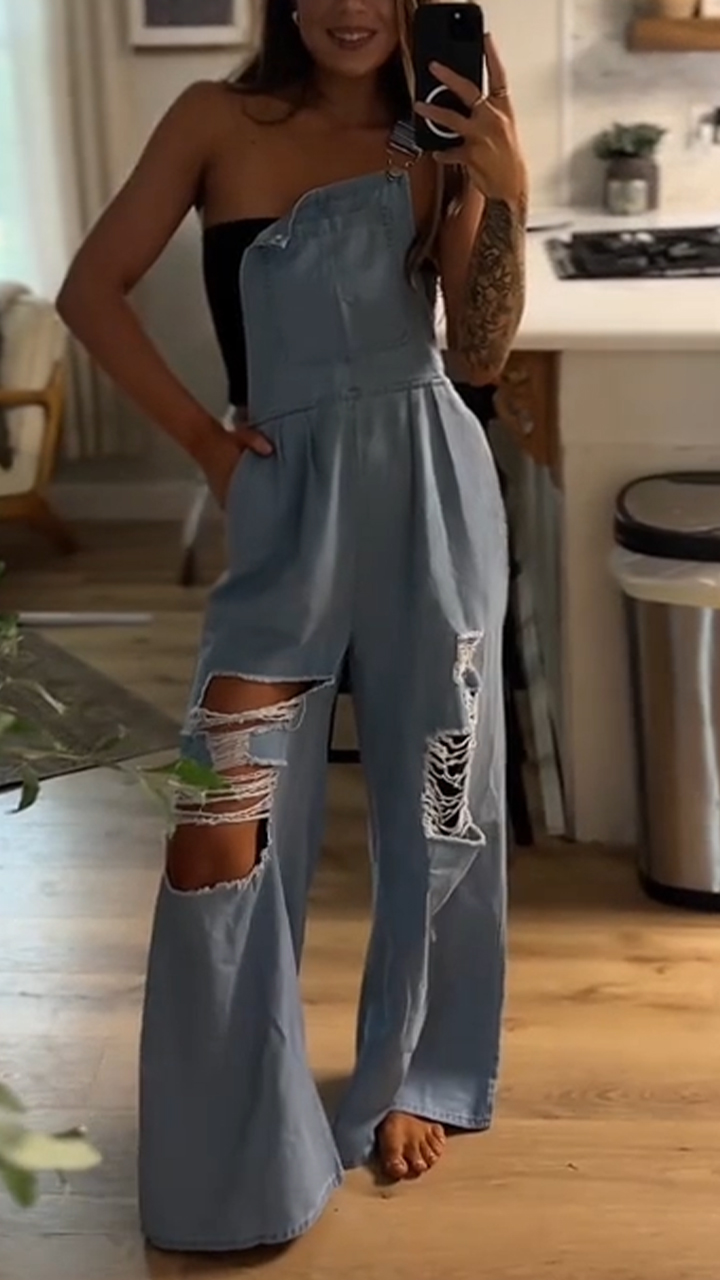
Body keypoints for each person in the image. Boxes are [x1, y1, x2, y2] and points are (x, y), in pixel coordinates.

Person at [57, 0, 527, 1253]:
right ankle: (237, 1140)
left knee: (442, 790)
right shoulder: (214, 119)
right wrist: (207, 443)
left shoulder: (441, 134)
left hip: (431, 492)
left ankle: (416, 1071)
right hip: (285, 511)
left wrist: (504, 184)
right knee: (222, 814)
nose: (348, 6)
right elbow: (90, 289)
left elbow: (480, 353)